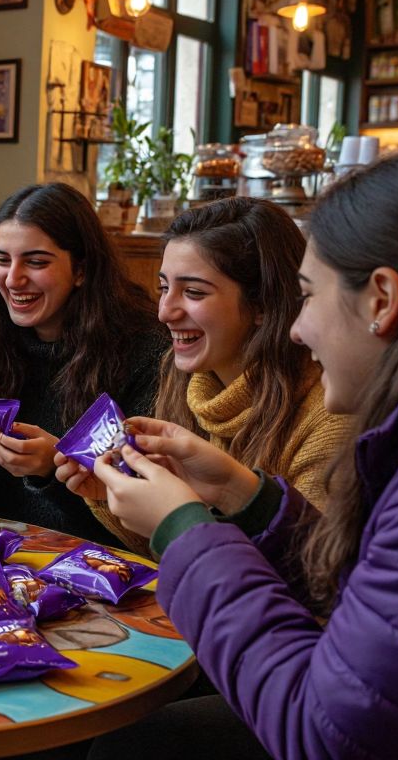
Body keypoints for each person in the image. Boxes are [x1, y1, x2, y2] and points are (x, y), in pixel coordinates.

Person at [85, 149, 398, 758]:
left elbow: (322, 732)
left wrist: (184, 528)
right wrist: (244, 495)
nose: (299, 328)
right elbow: (364, 600)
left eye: (309, 296)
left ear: (382, 299)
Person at [56, 198, 351, 554]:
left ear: (261, 305)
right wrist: (112, 494)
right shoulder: (188, 380)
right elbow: (170, 554)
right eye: (164, 287)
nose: (164, 312)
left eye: (193, 292)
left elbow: (309, 580)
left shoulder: (327, 419)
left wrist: (180, 516)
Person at [0, 183, 167, 546]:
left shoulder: (143, 351)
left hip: (95, 567)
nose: (14, 278)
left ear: (81, 270)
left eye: (36, 262)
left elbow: (140, 523)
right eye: (2, 260)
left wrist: (56, 468)